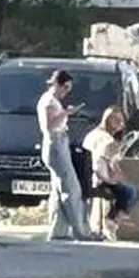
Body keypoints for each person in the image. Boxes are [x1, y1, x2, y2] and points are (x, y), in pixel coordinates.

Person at [37, 67, 93, 241]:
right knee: (71, 188)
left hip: (59, 141)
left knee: (59, 189)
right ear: (57, 84)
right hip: (55, 143)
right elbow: (49, 125)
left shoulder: (52, 100)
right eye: (65, 88)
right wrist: (66, 113)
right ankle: (80, 230)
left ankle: (58, 231)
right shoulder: (48, 101)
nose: (66, 92)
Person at [83, 105, 137, 240]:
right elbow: (108, 165)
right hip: (100, 180)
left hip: (85, 178)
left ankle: (102, 225)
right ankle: (111, 222)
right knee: (132, 193)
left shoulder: (91, 135)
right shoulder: (109, 141)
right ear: (109, 121)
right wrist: (118, 178)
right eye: (118, 120)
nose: (122, 124)